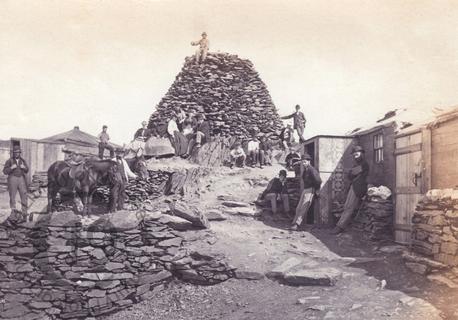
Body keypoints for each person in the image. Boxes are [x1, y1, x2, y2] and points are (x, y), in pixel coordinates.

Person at [331, 146, 369, 234]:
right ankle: (340, 225)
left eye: (357, 154)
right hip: (354, 186)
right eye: (354, 155)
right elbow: (350, 175)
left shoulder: (364, 164)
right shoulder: (357, 164)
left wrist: (351, 172)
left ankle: (339, 227)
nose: (355, 156)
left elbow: (352, 173)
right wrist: (351, 172)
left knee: (349, 207)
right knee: (346, 206)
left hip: (359, 188)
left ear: (361, 153)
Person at [291, 153, 322, 231]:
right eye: (302, 162)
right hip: (305, 189)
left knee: (304, 207)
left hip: (311, 190)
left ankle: (297, 224)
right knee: (298, 207)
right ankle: (294, 222)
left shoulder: (312, 170)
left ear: (309, 161)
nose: (303, 163)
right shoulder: (305, 170)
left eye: (305, 162)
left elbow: (318, 181)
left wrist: (317, 190)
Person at [3, 145, 31, 222]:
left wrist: (24, 167)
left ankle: (24, 213)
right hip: (12, 178)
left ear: (20, 153)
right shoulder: (9, 161)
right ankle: (13, 212)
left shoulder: (23, 161)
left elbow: (27, 170)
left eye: (18, 152)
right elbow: (5, 171)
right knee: (12, 196)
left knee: (24, 195)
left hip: (21, 178)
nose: (16, 154)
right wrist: (11, 168)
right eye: (15, 152)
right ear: (13, 153)